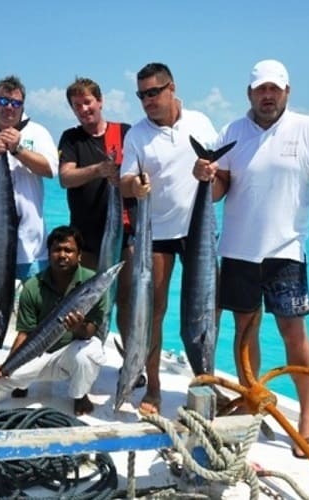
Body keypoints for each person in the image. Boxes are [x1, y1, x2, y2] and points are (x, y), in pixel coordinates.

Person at [193, 59, 309, 458]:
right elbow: (220, 189)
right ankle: (251, 397)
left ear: (287, 92)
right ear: (249, 93)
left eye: (274, 89)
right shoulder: (232, 132)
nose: (267, 95)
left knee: (293, 333)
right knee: (245, 332)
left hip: (286, 252)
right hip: (237, 251)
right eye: (261, 89)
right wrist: (206, 176)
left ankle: (308, 414)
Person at [120, 62, 219, 416]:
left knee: (206, 311)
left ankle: (205, 382)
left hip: (198, 231)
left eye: (153, 92)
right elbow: (124, 182)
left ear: (171, 88)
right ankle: (154, 387)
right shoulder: (137, 135)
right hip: (157, 234)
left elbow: (222, 176)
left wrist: (210, 172)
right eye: (141, 95)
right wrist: (135, 186)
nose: (147, 100)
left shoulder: (201, 123)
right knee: (154, 312)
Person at [0, 75, 59, 360]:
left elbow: (50, 169)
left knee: (36, 305)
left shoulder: (37, 132)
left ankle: (28, 363)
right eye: (3, 101)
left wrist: (17, 148)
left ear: (23, 106)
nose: (9, 107)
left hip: (31, 243)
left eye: (16, 103)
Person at [57, 76, 140, 385]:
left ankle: (132, 365)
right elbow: (65, 177)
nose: (83, 109)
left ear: (100, 101)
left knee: (127, 303)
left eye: (88, 102)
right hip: (86, 241)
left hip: (125, 237)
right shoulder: (71, 138)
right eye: (77, 106)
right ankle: (84, 365)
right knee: (86, 306)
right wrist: (99, 170)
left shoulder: (125, 132)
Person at [0, 226, 108, 415]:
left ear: (79, 255)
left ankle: (80, 395)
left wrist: (76, 327)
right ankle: (21, 382)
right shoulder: (33, 286)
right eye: (57, 250)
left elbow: (90, 332)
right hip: (36, 355)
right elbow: (24, 334)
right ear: (49, 254)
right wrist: (6, 366)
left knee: (90, 353)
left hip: (68, 354)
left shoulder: (93, 284)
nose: (63, 255)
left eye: (69, 250)